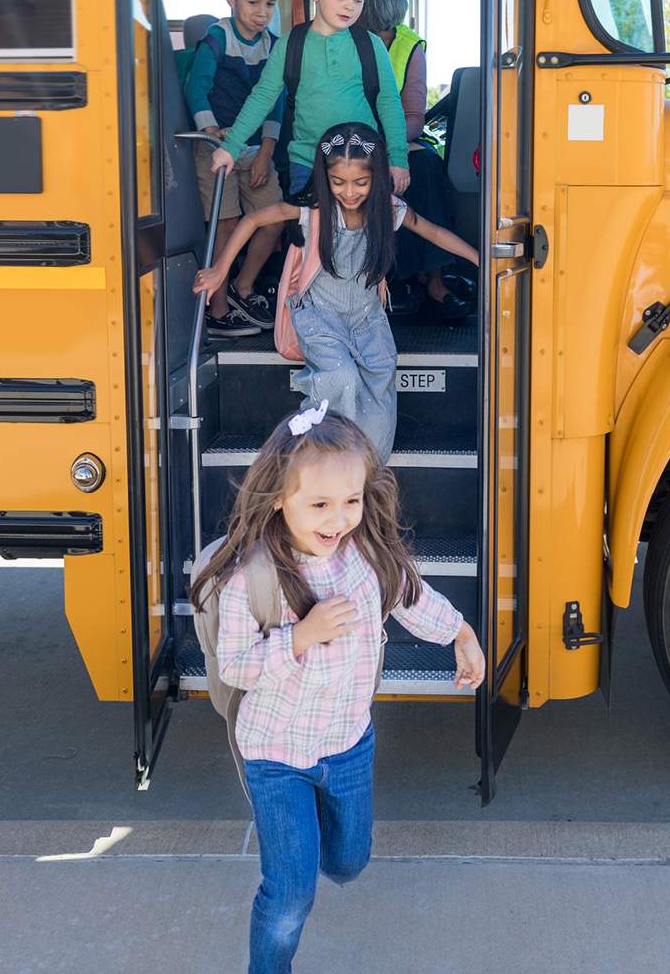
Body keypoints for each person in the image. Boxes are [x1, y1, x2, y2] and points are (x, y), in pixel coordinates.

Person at [189, 406, 485, 974]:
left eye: (350, 501)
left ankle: (310, 842)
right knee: (290, 893)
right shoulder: (249, 575)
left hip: (348, 746)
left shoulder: (366, 558)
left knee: (349, 863)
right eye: (319, 504)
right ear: (279, 497)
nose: (338, 518)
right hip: (275, 756)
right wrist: (300, 637)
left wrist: (461, 634)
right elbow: (235, 667)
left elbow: (412, 598)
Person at [194, 122, 478, 462]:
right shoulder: (312, 211)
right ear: (324, 178)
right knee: (339, 377)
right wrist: (219, 270)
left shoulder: (388, 209)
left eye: (361, 182)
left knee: (379, 384)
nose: (350, 192)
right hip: (320, 315)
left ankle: (367, 470)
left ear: (377, 177)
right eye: (338, 182)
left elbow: (433, 232)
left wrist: (480, 259)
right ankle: (324, 455)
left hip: (367, 318)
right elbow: (252, 220)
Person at [208, 0, 410, 201]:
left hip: (364, 162)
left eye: (359, 0)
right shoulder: (290, 45)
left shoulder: (370, 45)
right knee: (311, 239)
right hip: (307, 162)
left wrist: (398, 157)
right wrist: (231, 147)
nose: (350, 6)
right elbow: (262, 98)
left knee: (362, 241)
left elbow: (389, 101)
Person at [358, 0, 472, 319]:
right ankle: (390, 281)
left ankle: (433, 280)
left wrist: (389, 145)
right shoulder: (337, 38)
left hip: (395, 138)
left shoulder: (409, 46)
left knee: (424, 166)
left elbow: (414, 116)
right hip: (350, 139)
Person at [184, 0, 286, 337]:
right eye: (253, 3)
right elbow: (197, 86)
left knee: (274, 220)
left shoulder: (274, 46)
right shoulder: (216, 38)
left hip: (257, 150)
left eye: (270, 4)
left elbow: (275, 100)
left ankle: (244, 287)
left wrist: (267, 152)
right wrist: (210, 129)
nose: (262, 13)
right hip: (217, 148)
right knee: (224, 228)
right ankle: (219, 308)